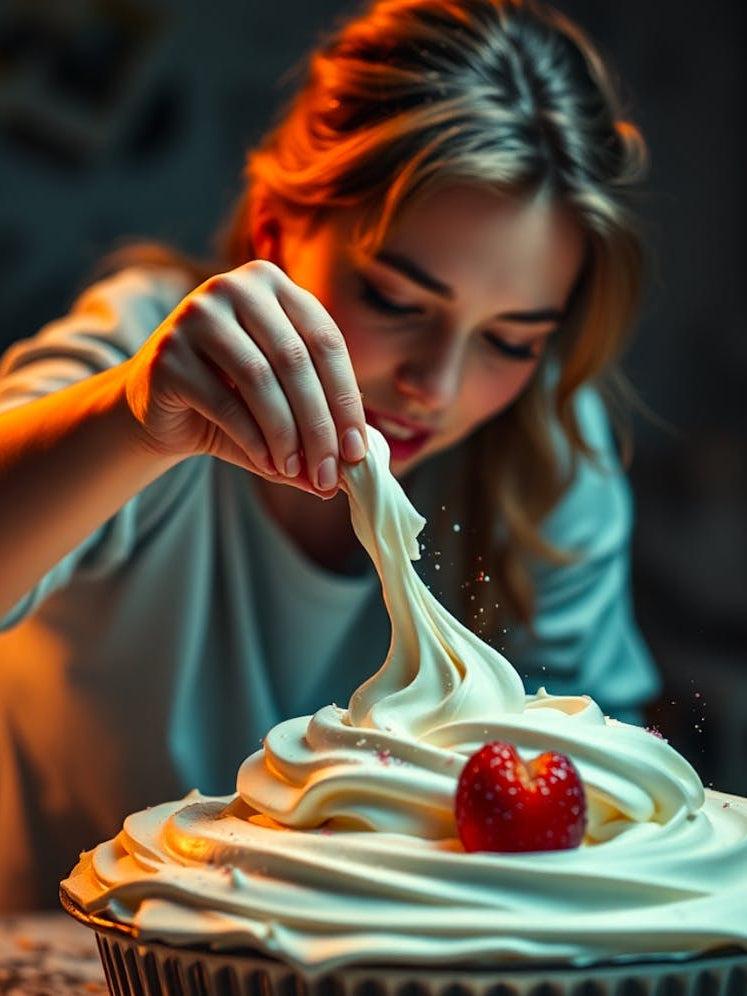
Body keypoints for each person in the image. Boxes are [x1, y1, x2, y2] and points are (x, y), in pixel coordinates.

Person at [0, 0, 659, 911]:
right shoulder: (141, 353)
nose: (436, 380)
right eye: (396, 299)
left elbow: (591, 803)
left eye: (511, 340)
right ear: (275, 233)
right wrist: (127, 422)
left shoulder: (548, 461)